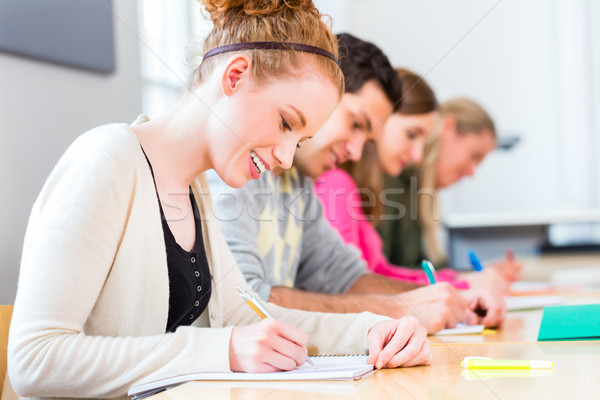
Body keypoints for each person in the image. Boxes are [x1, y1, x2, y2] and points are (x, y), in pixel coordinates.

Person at [7, 3, 432, 399]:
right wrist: (218, 350)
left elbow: (250, 318)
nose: (286, 158)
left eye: (299, 140)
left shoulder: (196, 189)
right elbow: (34, 360)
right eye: (285, 122)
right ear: (235, 75)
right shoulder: (107, 160)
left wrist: (374, 330)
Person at [208, 34, 505, 335]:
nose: (356, 151)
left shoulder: (298, 182)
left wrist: (453, 300)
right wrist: (398, 309)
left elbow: (345, 277)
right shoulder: (237, 168)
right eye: (355, 124)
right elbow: (247, 302)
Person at [315, 70, 516, 293]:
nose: (417, 155)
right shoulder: (339, 183)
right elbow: (348, 287)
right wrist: (462, 284)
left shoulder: (357, 185)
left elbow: (380, 272)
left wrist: (458, 282)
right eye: (474, 156)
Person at [378, 97, 522, 285]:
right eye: (474, 156)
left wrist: (479, 275)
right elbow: (382, 276)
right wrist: (465, 280)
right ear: (448, 128)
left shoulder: (417, 191)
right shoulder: (391, 182)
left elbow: (423, 271)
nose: (472, 172)